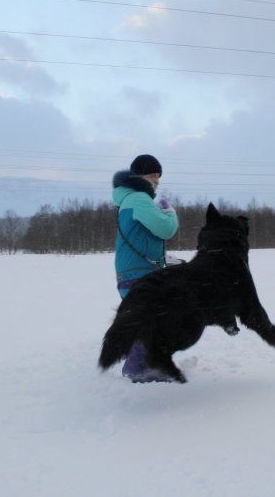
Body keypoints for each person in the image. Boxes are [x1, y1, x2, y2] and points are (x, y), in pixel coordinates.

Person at [112, 154, 179, 382]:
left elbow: (144, 238)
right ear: (139, 176)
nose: (156, 181)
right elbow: (166, 229)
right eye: (152, 175)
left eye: (159, 177)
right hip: (139, 274)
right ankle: (137, 369)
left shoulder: (130, 199)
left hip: (135, 272)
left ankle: (143, 362)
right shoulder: (139, 198)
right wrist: (169, 212)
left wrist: (163, 259)